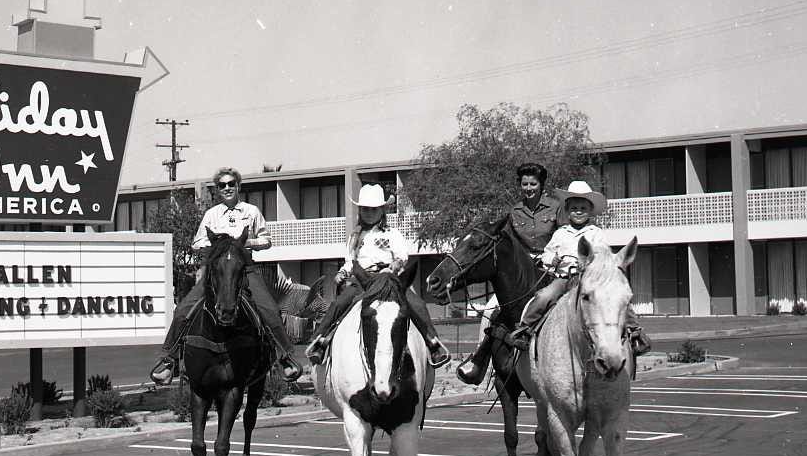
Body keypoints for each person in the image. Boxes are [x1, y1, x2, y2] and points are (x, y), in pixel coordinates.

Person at [149, 166, 304, 386]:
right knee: (184, 309)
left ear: (238, 186)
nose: (227, 188)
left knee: (269, 309)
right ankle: (168, 360)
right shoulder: (211, 215)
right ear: (217, 190)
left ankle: (286, 358)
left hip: (245, 269)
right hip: (217, 273)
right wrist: (220, 245)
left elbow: (266, 240)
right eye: (222, 185)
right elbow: (197, 242)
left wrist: (246, 243)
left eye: (231, 184)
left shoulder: (251, 212)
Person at [304, 184, 451, 367]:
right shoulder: (355, 236)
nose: (369, 213)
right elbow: (350, 261)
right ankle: (319, 341)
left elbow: (401, 257)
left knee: (416, 303)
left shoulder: (392, 234)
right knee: (339, 303)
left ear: (382, 210)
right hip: (362, 280)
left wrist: (393, 268)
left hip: (389, 279)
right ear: (360, 210)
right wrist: (342, 273)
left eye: (374, 209)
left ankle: (433, 344)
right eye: (365, 209)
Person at [508, 179, 650, 356]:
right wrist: (553, 259)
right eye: (574, 208)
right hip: (564, 278)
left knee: (617, 297)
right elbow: (547, 254)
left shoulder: (596, 233)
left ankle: (634, 332)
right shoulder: (560, 233)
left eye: (583, 208)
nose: (578, 212)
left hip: (589, 280)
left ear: (590, 211)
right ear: (567, 211)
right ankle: (525, 329)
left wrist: (592, 262)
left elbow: (604, 256)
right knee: (544, 295)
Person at [455, 161, 561, 385]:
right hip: (522, 270)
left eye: (533, 183)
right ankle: (479, 359)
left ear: (541, 185)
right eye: (525, 184)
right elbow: (508, 244)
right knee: (492, 309)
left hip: (549, 268)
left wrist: (554, 257)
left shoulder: (556, 208)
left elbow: (563, 236)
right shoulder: (514, 212)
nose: (529, 188)